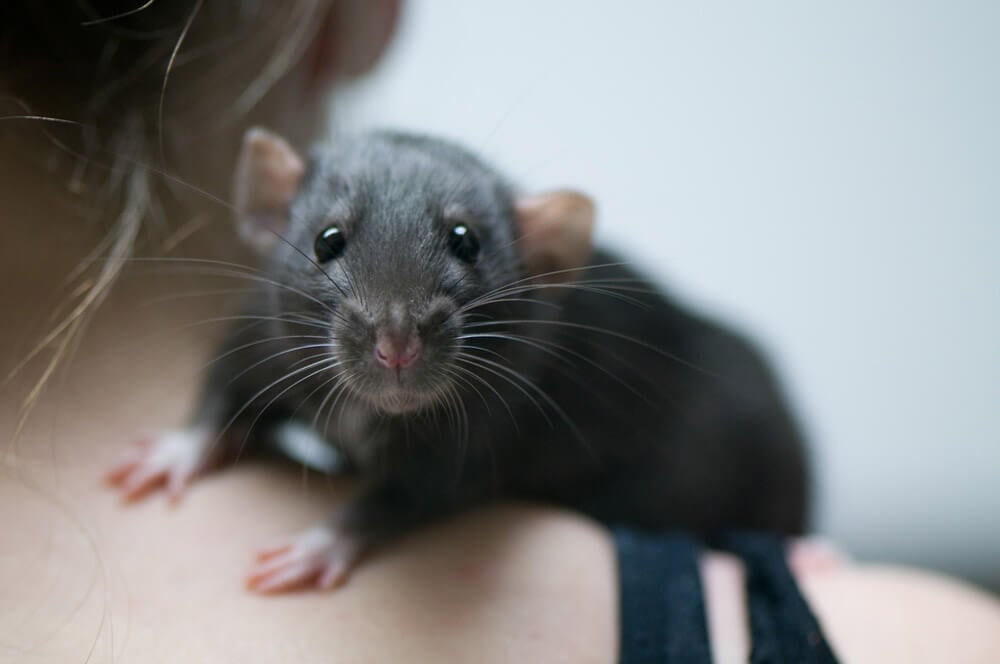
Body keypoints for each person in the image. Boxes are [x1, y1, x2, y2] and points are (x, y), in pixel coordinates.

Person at [1, 3, 997, 662]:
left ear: (544, 252)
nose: (393, 340)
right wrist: (206, 433)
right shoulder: (925, 640)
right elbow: (244, 375)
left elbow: (446, 469)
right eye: (336, 241)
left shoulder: (517, 351)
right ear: (274, 206)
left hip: (702, 476)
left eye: (470, 244)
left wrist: (347, 531)